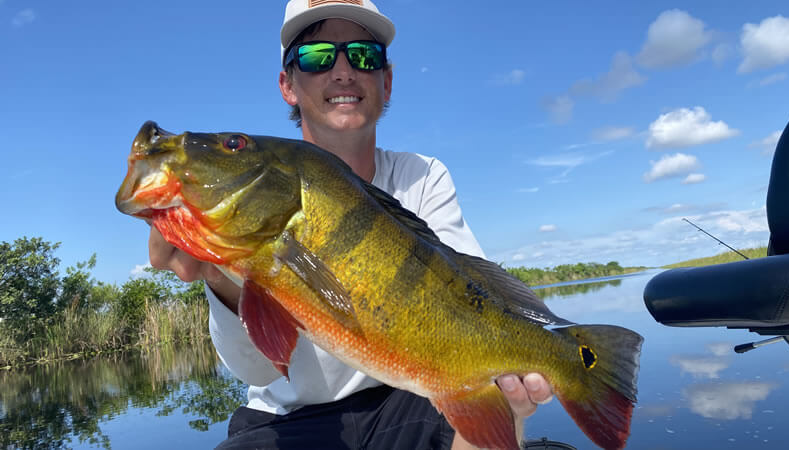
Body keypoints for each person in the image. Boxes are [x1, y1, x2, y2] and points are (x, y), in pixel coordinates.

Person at [148, 1, 554, 448]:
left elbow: (476, 299)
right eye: (317, 56)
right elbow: (259, 369)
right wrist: (222, 278)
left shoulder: (423, 176)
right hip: (286, 418)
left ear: (387, 80)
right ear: (288, 84)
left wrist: (519, 370)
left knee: (494, 403)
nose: (343, 71)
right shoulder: (250, 212)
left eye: (364, 55)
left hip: (405, 395)